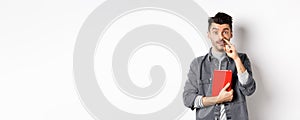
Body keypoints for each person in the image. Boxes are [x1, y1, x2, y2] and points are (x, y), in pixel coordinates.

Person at [183, 12, 256, 120]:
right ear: (208, 34)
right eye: (215, 32)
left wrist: (236, 59)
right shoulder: (197, 64)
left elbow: (249, 90)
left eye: (225, 32)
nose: (220, 37)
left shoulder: (242, 59)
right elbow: (188, 99)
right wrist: (217, 99)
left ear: (231, 34)